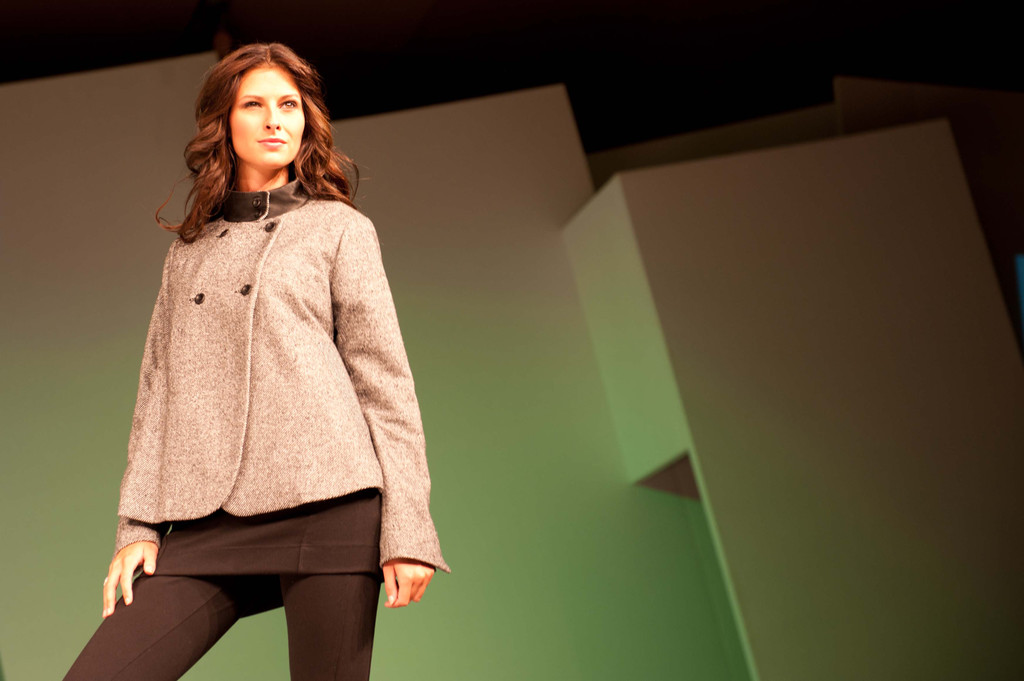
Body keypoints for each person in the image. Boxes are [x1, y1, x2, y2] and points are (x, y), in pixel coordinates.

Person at [63, 42, 450, 681]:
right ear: (224, 122)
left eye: (289, 106)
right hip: (204, 516)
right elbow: (157, 392)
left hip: (329, 502)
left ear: (306, 121)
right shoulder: (188, 252)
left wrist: (409, 528)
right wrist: (137, 527)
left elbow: (384, 384)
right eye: (254, 105)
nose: (275, 120)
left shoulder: (339, 229)